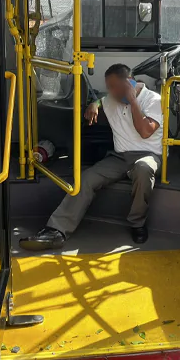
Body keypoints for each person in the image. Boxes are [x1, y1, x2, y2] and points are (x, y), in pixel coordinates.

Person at [19, 64, 163, 251]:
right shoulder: (111, 99)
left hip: (147, 155)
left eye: (115, 87)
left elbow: (145, 131)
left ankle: (137, 223)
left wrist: (133, 101)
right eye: (108, 87)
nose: (111, 92)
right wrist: (95, 104)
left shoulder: (154, 100)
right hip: (119, 157)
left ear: (130, 83)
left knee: (144, 170)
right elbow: (103, 99)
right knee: (86, 178)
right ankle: (56, 230)